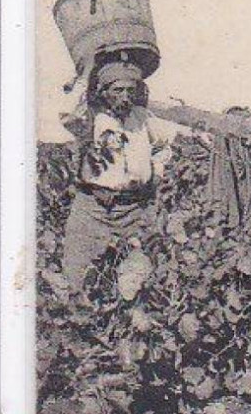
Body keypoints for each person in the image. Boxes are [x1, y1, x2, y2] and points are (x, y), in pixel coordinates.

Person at [60, 53, 178, 295]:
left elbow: (164, 146)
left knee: (143, 276)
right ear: (104, 92)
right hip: (93, 209)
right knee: (77, 276)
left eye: (130, 91)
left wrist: (155, 172)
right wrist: (87, 70)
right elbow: (66, 112)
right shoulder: (90, 117)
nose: (125, 97)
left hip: (133, 210)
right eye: (117, 91)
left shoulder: (142, 118)